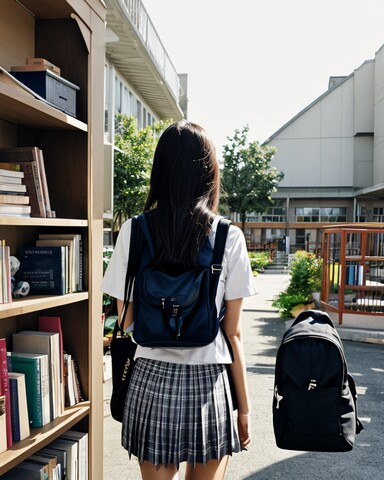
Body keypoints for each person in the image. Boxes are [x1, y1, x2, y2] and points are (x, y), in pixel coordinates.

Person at [102, 120, 257, 480]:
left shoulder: (135, 230)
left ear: (161, 171)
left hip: (151, 379)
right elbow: (232, 334)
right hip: (208, 381)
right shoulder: (228, 237)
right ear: (209, 173)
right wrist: (244, 409)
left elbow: (124, 321)